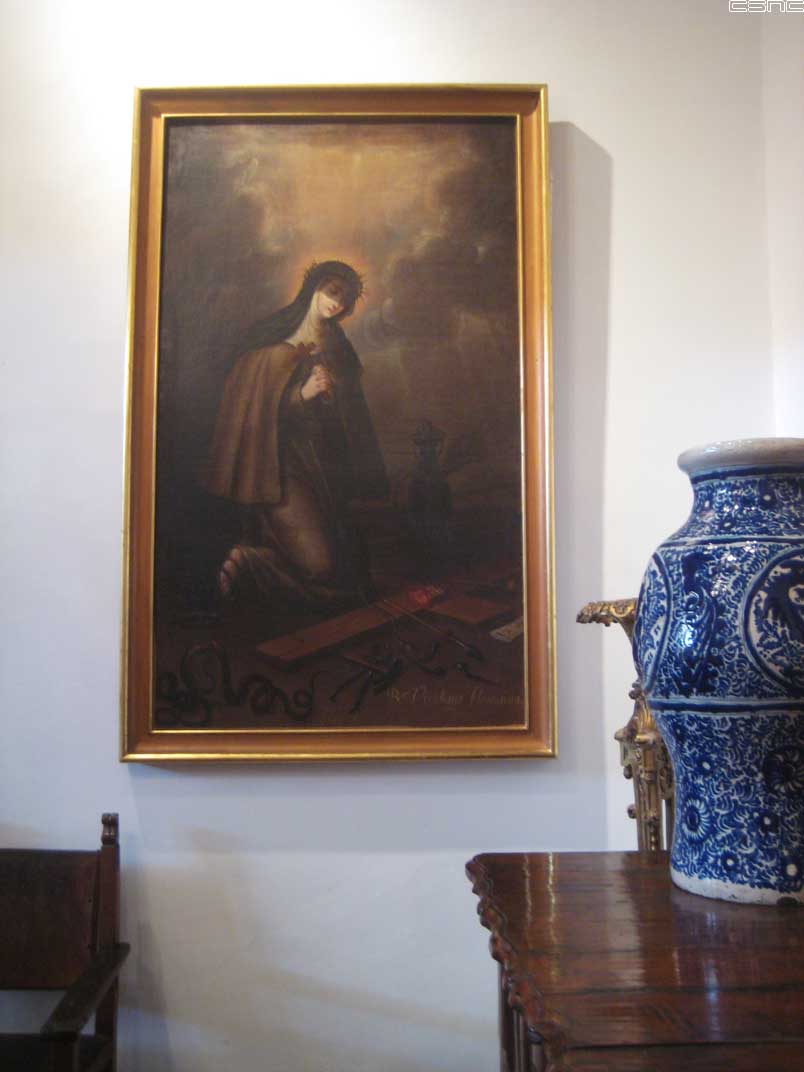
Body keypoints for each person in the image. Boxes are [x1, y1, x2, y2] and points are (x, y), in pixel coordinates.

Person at [203, 260, 389, 607]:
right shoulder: (271, 337)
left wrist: (333, 394)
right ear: (314, 288)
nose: (337, 303)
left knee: (350, 572)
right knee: (320, 567)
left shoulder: (337, 344)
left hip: (325, 468)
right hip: (278, 468)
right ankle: (252, 561)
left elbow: (351, 413)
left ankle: (259, 560)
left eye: (345, 300)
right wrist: (302, 395)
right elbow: (254, 411)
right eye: (333, 292)